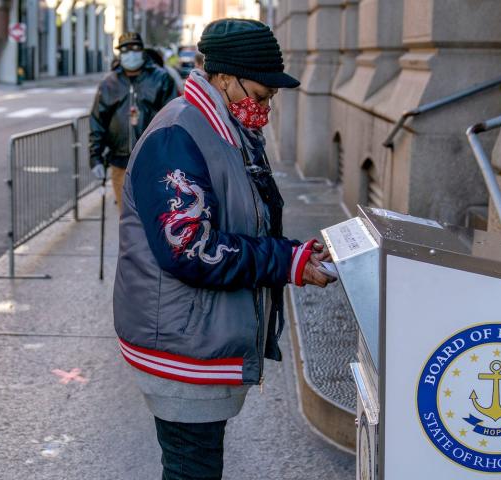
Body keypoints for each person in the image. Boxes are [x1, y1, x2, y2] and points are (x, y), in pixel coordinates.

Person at [113, 19, 333, 479]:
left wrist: (294, 254)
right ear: (225, 78)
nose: (267, 104)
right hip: (182, 344)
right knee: (193, 469)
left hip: (199, 337)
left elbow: (240, 218)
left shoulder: (225, 127)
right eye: (261, 92)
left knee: (196, 467)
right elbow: (191, 248)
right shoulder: (179, 133)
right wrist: (284, 262)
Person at [89, 32, 179, 211]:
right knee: (127, 219)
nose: (130, 53)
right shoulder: (109, 83)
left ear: (142, 51)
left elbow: (173, 119)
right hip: (120, 162)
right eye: (125, 49)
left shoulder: (161, 79)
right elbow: (98, 121)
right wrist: (95, 158)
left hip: (154, 162)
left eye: (135, 48)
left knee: (154, 218)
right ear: (119, 53)